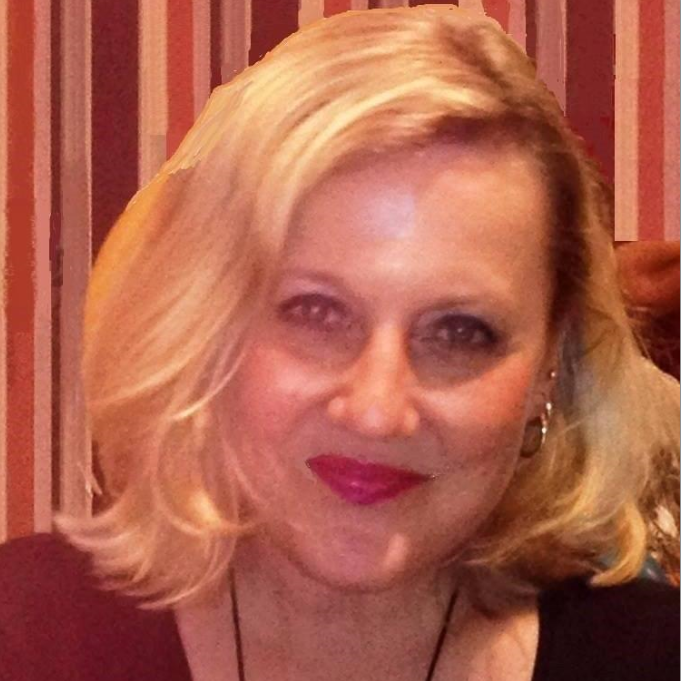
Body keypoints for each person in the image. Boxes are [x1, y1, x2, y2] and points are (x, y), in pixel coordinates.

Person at [0, 6, 678, 681]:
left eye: (459, 332)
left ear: (548, 367)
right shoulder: (24, 634)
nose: (376, 410)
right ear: (206, 322)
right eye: (316, 312)